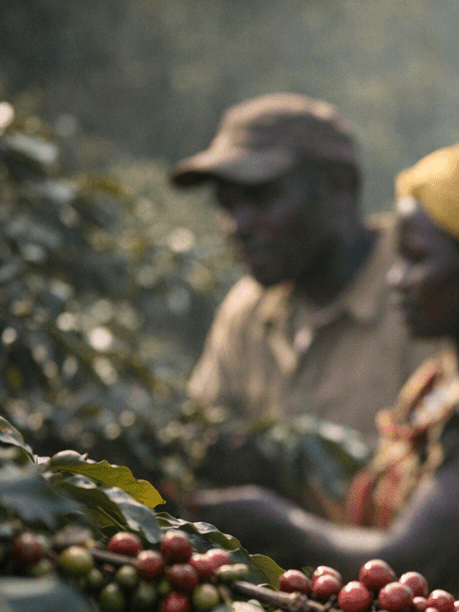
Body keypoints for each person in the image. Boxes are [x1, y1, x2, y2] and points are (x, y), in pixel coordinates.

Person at [190, 142, 459, 601]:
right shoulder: (442, 381)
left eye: (417, 259)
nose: (395, 279)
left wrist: (278, 523)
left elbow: (415, 562)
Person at [172, 93, 443, 445]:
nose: (238, 225)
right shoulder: (247, 311)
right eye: (227, 204)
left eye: (261, 198)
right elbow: (202, 436)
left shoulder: (425, 297)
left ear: (339, 187)